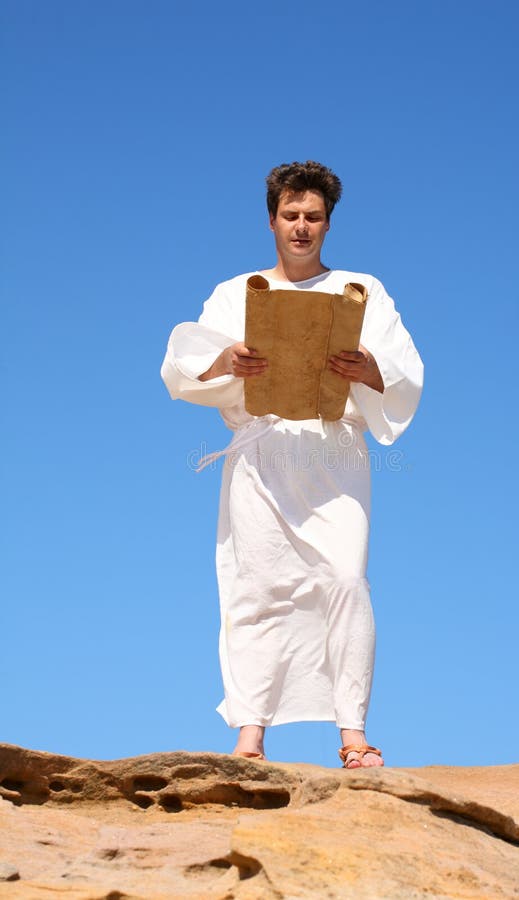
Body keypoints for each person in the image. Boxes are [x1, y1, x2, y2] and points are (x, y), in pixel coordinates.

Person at [161, 161, 424, 768]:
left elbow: (405, 373)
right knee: (257, 588)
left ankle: (352, 734)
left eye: (313, 217)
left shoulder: (362, 289)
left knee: (346, 581)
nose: (301, 227)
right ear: (271, 220)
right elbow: (183, 365)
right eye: (290, 215)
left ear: (328, 224)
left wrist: (368, 371)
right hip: (263, 450)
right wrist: (228, 360)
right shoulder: (238, 291)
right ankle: (250, 736)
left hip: (334, 454)